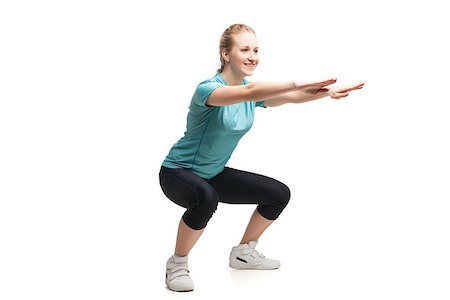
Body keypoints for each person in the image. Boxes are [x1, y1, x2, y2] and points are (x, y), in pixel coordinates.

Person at [159, 23, 364, 292]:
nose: (252, 56)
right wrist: (294, 82)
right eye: (244, 49)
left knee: (278, 194)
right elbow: (250, 92)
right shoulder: (208, 90)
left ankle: (244, 252)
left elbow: (289, 97)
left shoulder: (250, 92)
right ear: (225, 54)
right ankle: (177, 263)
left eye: (256, 50)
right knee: (205, 198)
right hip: (178, 172)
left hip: (213, 173)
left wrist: (327, 94)